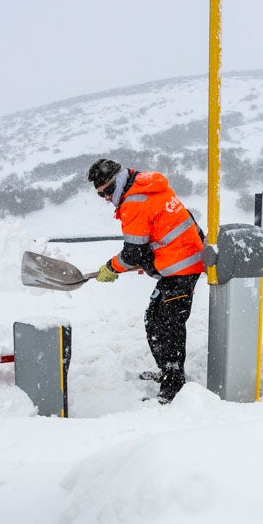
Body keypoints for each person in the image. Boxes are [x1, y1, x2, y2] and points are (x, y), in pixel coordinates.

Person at [87, 158, 205, 404]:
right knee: (153, 319)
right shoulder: (149, 186)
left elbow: (132, 254)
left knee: (169, 326)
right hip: (178, 263)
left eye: (108, 191)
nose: (107, 198)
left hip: (181, 268)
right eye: (101, 195)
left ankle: (173, 387)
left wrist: (111, 268)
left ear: (118, 181)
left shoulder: (135, 201)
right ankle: (167, 371)